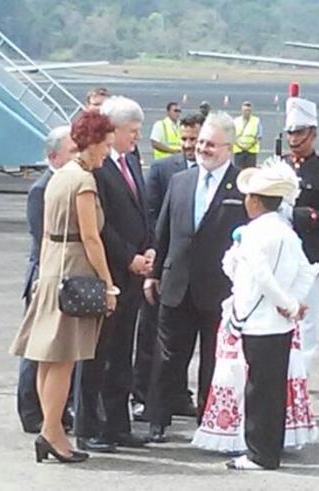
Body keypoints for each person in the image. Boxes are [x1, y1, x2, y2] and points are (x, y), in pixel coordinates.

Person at [192, 159, 319, 463]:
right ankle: (269, 448)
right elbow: (307, 270)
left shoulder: (254, 232)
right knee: (272, 389)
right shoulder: (286, 231)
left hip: (257, 322)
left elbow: (262, 277)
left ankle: (260, 454)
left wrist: (287, 303)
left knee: (259, 390)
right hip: (279, 323)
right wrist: (293, 301)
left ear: (257, 200)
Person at [9, 111, 118, 464]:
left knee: (47, 357)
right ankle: (53, 432)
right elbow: (90, 236)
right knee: (64, 359)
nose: (107, 153)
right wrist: (107, 283)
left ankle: (49, 429)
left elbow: (44, 232)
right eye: (106, 145)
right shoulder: (83, 181)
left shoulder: (59, 177)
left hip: (53, 267)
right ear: (93, 143)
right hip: (73, 271)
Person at [145, 112, 248, 443]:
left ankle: (209, 421)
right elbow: (163, 232)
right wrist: (154, 273)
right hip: (176, 285)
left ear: (228, 148)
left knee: (213, 360)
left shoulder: (242, 185)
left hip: (218, 288)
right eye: (201, 142)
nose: (202, 149)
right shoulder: (181, 181)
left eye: (211, 144)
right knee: (167, 355)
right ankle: (157, 419)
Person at [75, 96, 152, 452]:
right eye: (131, 132)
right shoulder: (98, 168)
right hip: (109, 271)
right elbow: (101, 227)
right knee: (97, 356)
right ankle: (90, 426)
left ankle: (118, 425)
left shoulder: (130, 160)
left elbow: (142, 209)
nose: (136, 138)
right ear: (113, 131)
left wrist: (149, 248)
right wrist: (128, 258)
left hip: (134, 272)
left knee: (122, 353)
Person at [131, 113, 205, 420]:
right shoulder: (164, 171)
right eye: (185, 139)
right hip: (167, 268)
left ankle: (179, 396)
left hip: (201, 275)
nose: (189, 146)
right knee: (154, 340)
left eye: (194, 140)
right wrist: (154, 266)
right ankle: (143, 397)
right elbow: (151, 218)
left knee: (188, 345)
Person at [17, 126, 78, 434]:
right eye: (71, 152)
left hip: (63, 275)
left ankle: (56, 410)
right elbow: (43, 238)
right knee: (38, 348)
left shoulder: (71, 183)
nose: (76, 157)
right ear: (54, 156)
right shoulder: (43, 189)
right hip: (45, 276)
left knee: (58, 349)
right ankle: (31, 411)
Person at [284, 96, 319, 366]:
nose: (294, 139)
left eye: (300, 133)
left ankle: (301, 375)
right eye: (291, 133)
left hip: (309, 251)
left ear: (313, 134)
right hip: (281, 251)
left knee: (307, 321)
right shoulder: (278, 166)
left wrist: (304, 216)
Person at [232, 101, 261, 168]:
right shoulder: (236, 121)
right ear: (242, 111)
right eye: (245, 110)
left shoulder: (256, 121)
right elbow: (232, 135)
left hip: (251, 151)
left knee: (250, 172)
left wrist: (249, 146)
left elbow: (259, 135)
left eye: (248, 110)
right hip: (239, 151)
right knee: (238, 172)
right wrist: (241, 146)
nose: (247, 112)